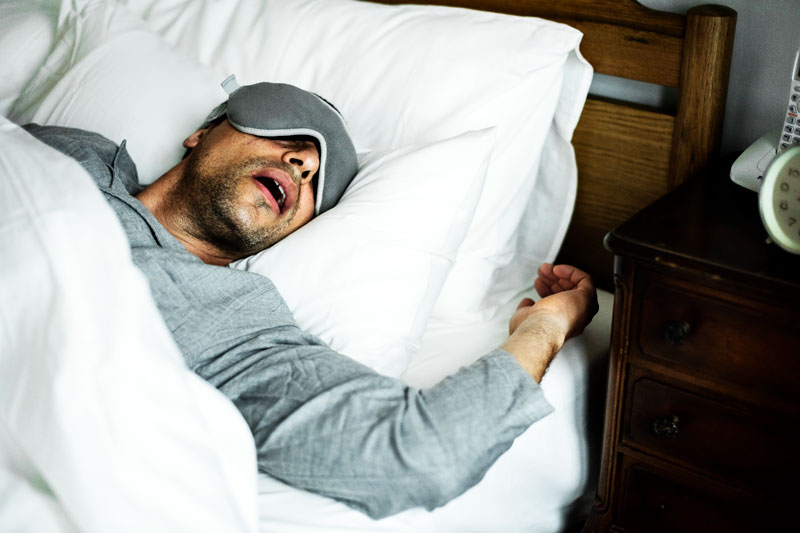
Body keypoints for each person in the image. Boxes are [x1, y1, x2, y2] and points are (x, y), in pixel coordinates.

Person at [23, 79, 598, 519]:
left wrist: (545, 326)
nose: (304, 162)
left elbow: (422, 454)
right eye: (287, 135)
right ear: (201, 133)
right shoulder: (71, 154)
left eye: (319, 183)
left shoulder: (234, 323)